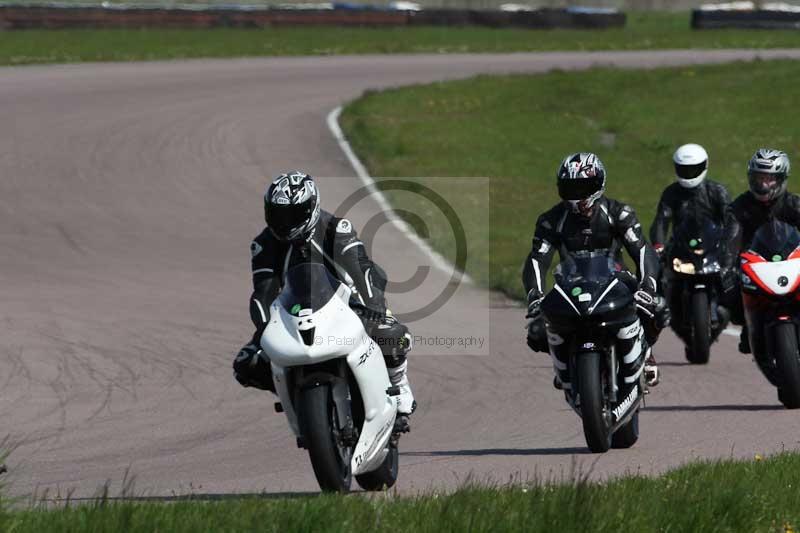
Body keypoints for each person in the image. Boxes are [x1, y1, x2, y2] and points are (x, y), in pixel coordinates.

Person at [233, 172, 416, 424]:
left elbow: (363, 272)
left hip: (349, 303)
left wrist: (373, 308)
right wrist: (265, 331)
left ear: (312, 208)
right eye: (278, 214)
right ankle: (296, 392)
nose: (285, 223)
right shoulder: (264, 245)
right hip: (296, 311)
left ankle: (398, 384)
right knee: (247, 364)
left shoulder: (335, 229)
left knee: (391, 335)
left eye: (294, 215)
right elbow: (263, 293)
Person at [523, 152, 668, 390]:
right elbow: (538, 259)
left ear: (598, 185)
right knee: (537, 331)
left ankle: (647, 352)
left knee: (658, 307)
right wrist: (535, 296)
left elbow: (642, 250)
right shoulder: (550, 221)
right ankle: (568, 364)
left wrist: (648, 287)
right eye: (570, 188)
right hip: (571, 285)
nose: (576, 195)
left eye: (583, 187)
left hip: (617, 281)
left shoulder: (620, 213)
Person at [650, 143, 738, 350]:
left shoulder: (717, 191)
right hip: (681, 247)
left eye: (693, 169)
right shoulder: (671, 193)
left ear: (705, 166)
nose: (689, 174)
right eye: (684, 169)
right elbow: (661, 221)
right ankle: (656, 311)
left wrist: (728, 243)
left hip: (713, 247)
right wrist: (659, 245)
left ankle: (740, 316)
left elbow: (731, 219)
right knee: (656, 276)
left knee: (735, 275)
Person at [728, 149, 798, 354]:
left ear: (782, 179)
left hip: (791, 261)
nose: (764, 184)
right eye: (759, 178)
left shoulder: (794, 204)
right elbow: (730, 239)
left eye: (769, 179)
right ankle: (749, 327)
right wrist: (726, 265)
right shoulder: (739, 207)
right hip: (754, 265)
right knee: (729, 293)